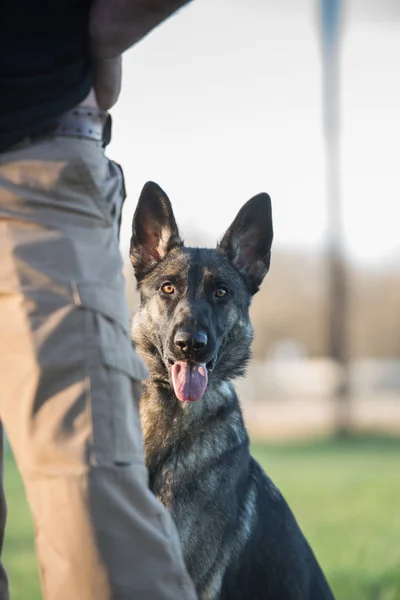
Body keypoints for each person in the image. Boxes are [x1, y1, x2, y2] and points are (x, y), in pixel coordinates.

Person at [0, 1, 197, 599]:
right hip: (33, 161)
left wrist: (98, 33)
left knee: (95, 526)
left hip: (27, 174)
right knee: (91, 509)